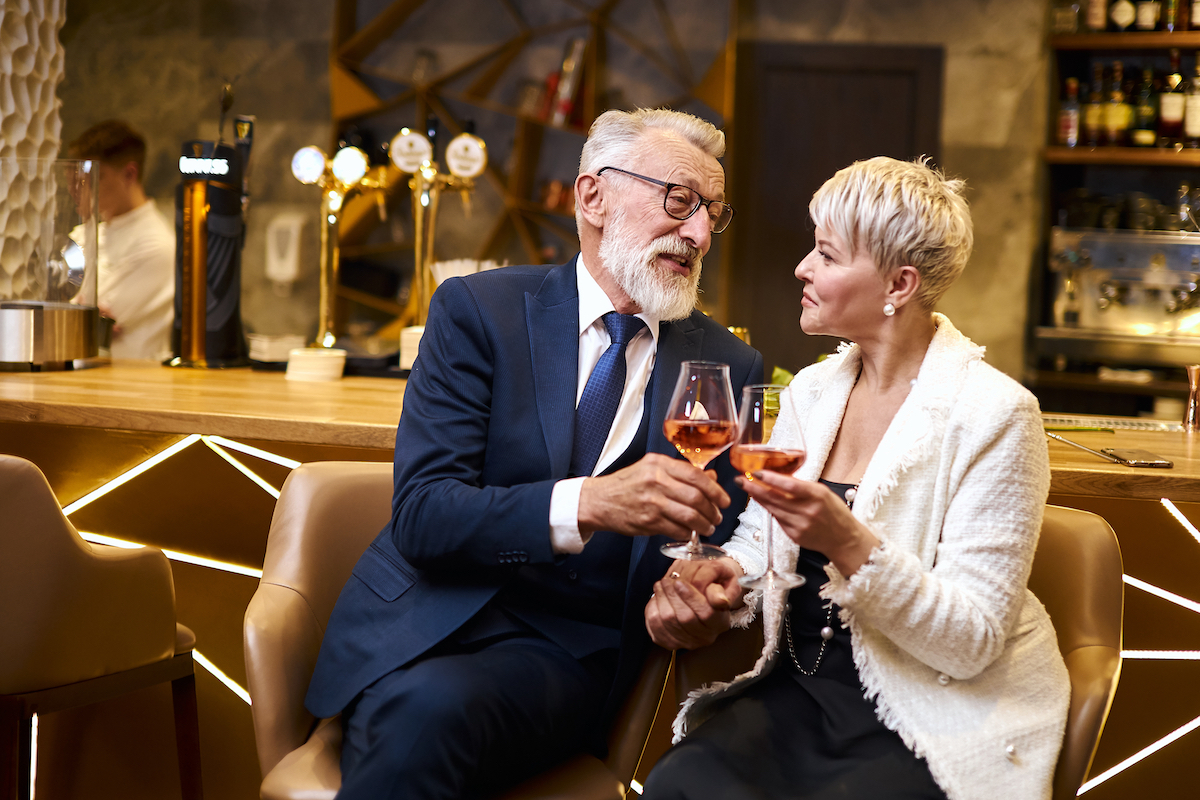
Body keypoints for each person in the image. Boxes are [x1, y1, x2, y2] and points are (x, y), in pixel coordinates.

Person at [305, 108, 763, 799]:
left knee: (426, 713)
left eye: (712, 214)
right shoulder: (477, 311)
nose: (698, 233)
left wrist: (701, 594)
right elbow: (426, 516)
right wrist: (592, 502)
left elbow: (713, 540)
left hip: (564, 657)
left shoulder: (726, 364)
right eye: (680, 201)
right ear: (593, 196)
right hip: (412, 626)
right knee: (417, 707)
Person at [641, 157, 1069, 800]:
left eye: (827, 255)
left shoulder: (997, 415)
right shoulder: (813, 392)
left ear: (898, 284)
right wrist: (722, 582)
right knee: (679, 783)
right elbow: (761, 544)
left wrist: (849, 543)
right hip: (799, 693)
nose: (802, 269)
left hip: (927, 716)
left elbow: (972, 641)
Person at [68, 120, 174, 360]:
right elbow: (55, 304)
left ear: (129, 174)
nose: (82, 187)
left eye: (97, 176)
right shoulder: (84, 234)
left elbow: (89, 326)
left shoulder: (157, 244)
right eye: (80, 177)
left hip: (129, 387)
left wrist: (77, 310)